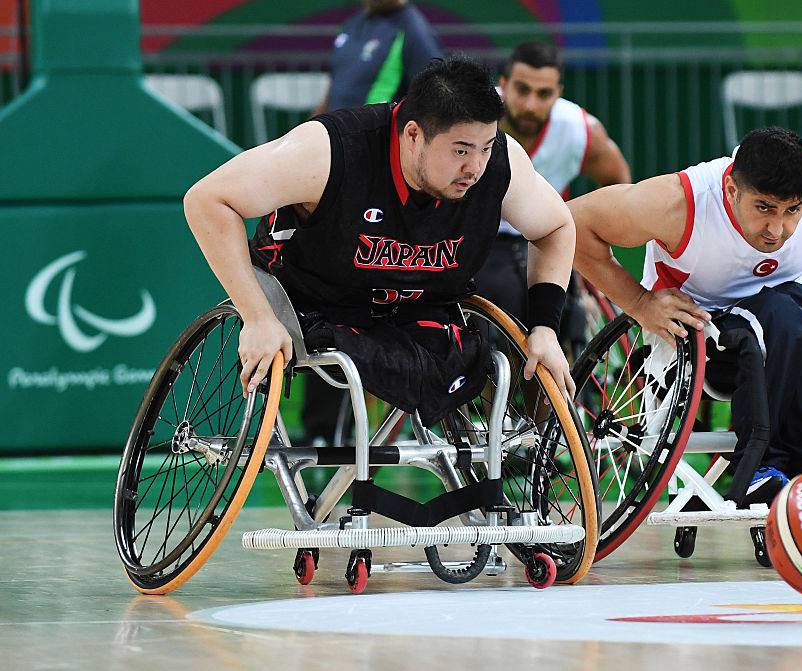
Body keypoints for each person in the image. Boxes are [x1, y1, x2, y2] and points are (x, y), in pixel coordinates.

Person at [184, 56, 577, 433]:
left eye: (486, 148)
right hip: (317, 300)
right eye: (460, 150)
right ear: (413, 135)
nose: (475, 167)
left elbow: (557, 226)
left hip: (416, 307)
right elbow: (207, 200)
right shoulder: (328, 151)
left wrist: (545, 327)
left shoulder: (502, 165)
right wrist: (257, 317)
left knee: (487, 363)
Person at [569, 126, 802, 504]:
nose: (777, 229)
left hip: (793, 330)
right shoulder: (681, 203)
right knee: (786, 313)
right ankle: (762, 466)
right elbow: (573, 222)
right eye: (764, 208)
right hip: (700, 337)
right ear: (731, 189)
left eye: (792, 210)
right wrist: (640, 303)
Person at [305, 0, 442, 442]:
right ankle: (320, 429)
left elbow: (431, 114)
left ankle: (371, 426)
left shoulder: (413, 32)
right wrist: (304, 142)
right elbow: (334, 97)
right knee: (317, 290)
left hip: (370, 181)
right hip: (332, 171)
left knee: (354, 296)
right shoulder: (353, 26)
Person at [473, 40, 631, 340]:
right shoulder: (470, 115)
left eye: (544, 94)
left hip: (546, 238)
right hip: (477, 238)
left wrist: (587, 245)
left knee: (568, 319)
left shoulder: (579, 130)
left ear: (558, 92)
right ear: (503, 84)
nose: (531, 104)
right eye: (522, 90)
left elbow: (619, 186)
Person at [313, 0, 442, 116]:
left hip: (374, 132)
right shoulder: (352, 24)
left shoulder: (416, 32)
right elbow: (334, 88)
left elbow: (434, 100)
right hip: (334, 130)